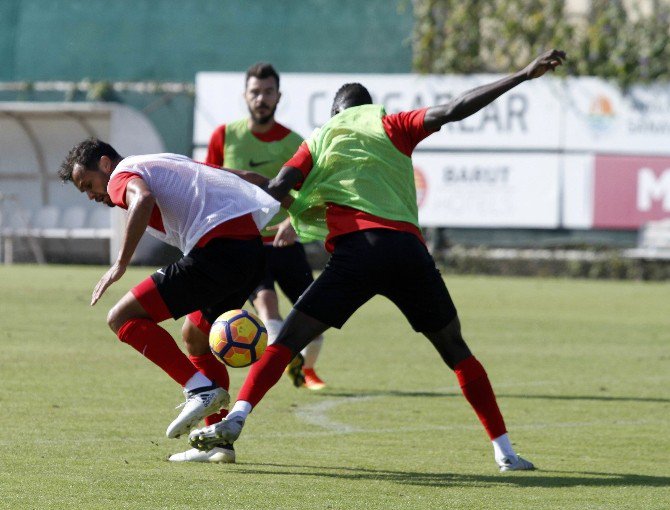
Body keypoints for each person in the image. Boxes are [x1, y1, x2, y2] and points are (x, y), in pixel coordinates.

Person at [189, 49, 566, 471]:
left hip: (356, 255)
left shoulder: (319, 139)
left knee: (286, 341)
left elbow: (278, 186)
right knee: (457, 350)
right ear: (368, 108)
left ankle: (237, 417)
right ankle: (506, 452)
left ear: (335, 114)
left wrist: (231, 222)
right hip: (407, 253)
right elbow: (455, 109)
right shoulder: (393, 124)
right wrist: (521, 73)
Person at [58, 139, 281, 463]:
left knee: (121, 318)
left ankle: (199, 389)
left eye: (88, 185)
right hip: (250, 254)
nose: (92, 195)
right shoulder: (161, 160)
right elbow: (241, 176)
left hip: (218, 250)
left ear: (105, 164)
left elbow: (143, 199)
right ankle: (218, 443)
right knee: (196, 338)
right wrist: (280, 189)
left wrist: (120, 263)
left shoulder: (122, 174)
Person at [194, 62, 328, 391]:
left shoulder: (293, 142)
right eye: (255, 92)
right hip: (245, 245)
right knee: (267, 305)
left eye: (268, 92)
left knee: (315, 321)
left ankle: (305, 369)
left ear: (278, 96)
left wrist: (294, 223)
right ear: (245, 96)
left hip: (285, 243)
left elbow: (315, 193)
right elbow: (208, 184)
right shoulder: (224, 136)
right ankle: (276, 368)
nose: (262, 98)